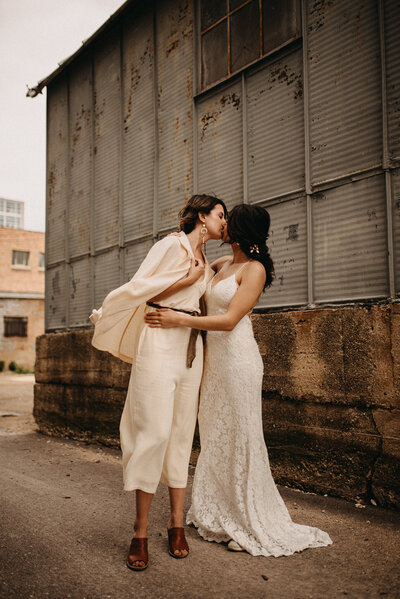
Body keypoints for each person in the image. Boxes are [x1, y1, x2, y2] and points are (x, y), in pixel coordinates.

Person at [145, 203, 333, 557]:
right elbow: (194, 275)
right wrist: (182, 244)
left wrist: (178, 321)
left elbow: (230, 320)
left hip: (238, 361)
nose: (224, 224)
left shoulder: (255, 269)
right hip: (212, 364)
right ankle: (218, 510)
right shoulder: (223, 265)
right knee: (216, 433)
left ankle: (248, 518)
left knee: (242, 435)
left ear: (243, 229)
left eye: (230, 220)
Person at [89, 194, 227, 570]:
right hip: (159, 336)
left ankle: (176, 523)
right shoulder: (170, 246)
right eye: (219, 215)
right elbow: (142, 290)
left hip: (190, 349)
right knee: (153, 432)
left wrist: (211, 270)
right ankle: (140, 530)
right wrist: (187, 278)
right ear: (202, 216)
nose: (223, 221)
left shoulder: (208, 262)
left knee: (182, 432)